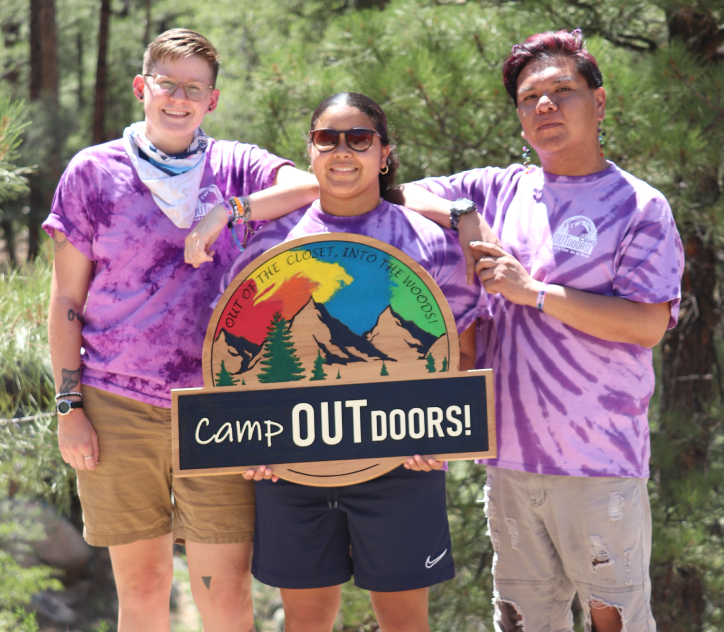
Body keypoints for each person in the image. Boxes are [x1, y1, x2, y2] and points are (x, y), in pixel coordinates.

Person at [387, 29, 684, 632]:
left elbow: (648, 324)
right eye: (530, 99)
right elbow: (391, 191)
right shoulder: (496, 189)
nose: (544, 106)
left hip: (598, 461)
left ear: (598, 103)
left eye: (562, 91)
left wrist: (534, 293)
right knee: (523, 621)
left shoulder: (639, 206)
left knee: (615, 621)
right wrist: (462, 215)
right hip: (510, 460)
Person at [45, 28, 318, 632]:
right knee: (142, 593)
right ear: (143, 87)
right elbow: (66, 297)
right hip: (116, 403)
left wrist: (230, 208)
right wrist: (69, 407)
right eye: (167, 84)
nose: (179, 99)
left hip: (219, 408)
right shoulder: (93, 173)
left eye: (195, 89)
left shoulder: (236, 166)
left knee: (224, 598)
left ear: (212, 101)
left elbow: (310, 185)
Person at [188, 91, 484, 632]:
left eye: (360, 139)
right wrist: (252, 442)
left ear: (385, 153)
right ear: (310, 151)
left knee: (405, 622)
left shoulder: (429, 242)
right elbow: (234, 351)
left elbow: (459, 348)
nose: (343, 151)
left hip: (402, 461)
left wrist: (441, 432)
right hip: (292, 468)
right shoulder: (269, 244)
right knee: (306, 620)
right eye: (328, 138)